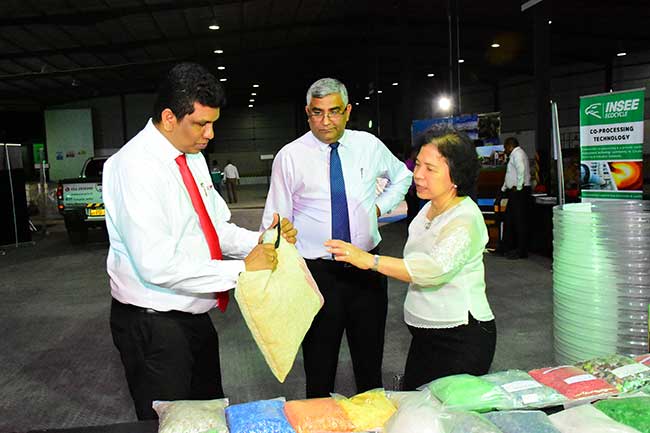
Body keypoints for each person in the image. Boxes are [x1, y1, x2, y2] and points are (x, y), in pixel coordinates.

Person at [103, 62, 297, 420]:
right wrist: (242, 270)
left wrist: (264, 241)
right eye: (201, 124)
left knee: (208, 416)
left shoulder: (192, 157)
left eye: (213, 123)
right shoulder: (135, 167)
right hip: (154, 324)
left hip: (194, 316)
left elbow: (214, 228)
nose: (210, 134)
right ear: (169, 117)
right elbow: (157, 265)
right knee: (171, 423)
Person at [261, 77, 412, 398]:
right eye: (317, 112)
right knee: (319, 367)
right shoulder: (290, 156)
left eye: (334, 111)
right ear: (307, 112)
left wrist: (379, 207)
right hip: (318, 275)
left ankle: (372, 418)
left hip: (367, 271)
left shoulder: (368, 146)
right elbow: (274, 221)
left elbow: (402, 176)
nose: (326, 121)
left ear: (348, 111)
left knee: (369, 366)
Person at [325, 128, 496, 391]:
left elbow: (432, 270)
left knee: (447, 411)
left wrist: (370, 261)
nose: (418, 174)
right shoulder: (430, 207)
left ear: (456, 175)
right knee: (416, 404)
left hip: (459, 336)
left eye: (430, 169)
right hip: (424, 336)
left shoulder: (464, 218)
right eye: (417, 164)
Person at [495, 136, 531, 259]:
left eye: (505, 147)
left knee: (519, 222)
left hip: (519, 192)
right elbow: (510, 174)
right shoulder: (514, 155)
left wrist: (519, 187)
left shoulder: (518, 154)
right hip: (514, 191)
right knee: (509, 220)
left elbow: (521, 170)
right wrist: (503, 189)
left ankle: (521, 251)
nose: (504, 150)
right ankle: (506, 247)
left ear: (510, 146)